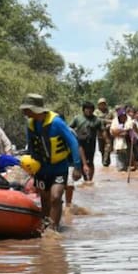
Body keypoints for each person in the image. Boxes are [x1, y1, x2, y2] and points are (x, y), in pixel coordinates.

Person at [21, 93, 83, 232]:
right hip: (41, 168)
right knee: (44, 198)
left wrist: (77, 167)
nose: (25, 112)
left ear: (36, 109)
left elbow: (73, 143)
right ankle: (45, 225)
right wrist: (30, 166)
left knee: (55, 197)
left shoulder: (56, 122)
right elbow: (30, 146)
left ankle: (53, 230)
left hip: (59, 167)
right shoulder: (31, 124)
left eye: (27, 109)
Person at [68, 101, 103, 181]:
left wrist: (106, 143)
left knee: (90, 162)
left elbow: (101, 132)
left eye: (91, 109)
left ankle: (89, 181)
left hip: (91, 144)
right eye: (87, 109)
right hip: (79, 143)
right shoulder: (77, 118)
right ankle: (77, 178)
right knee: (79, 162)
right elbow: (69, 129)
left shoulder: (97, 120)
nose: (89, 111)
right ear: (83, 110)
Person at [109, 107, 136, 171]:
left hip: (128, 143)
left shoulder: (129, 120)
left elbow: (128, 130)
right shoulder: (115, 121)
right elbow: (113, 131)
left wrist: (120, 132)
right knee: (121, 167)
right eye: (121, 116)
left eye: (124, 116)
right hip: (119, 144)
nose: (123, 117)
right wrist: (121, 132)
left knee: (130, 165)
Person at [95, 97, 113, 167]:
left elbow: (115, 120)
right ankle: (105, 162)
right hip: (99, 133)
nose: (102, 105)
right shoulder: (96, 112)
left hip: (108, 133)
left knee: (108, 147)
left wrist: (109, 124)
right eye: (101, 104)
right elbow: (97, 120)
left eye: (103, 104)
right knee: (101, 149)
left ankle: (105, 163)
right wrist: (107, 121)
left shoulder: (110, 112)